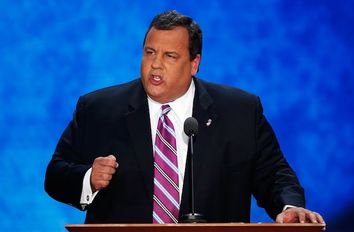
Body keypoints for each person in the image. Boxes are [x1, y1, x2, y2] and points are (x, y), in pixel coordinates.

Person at [45, 10, 325, 224]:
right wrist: (89, 178)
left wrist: (290, 207)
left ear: (194, 64)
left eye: (170, 56)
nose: (155, 64)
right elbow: (55, 174)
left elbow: (274, 174)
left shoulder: (239, 111)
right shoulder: (99, 109)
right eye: (150, 52)